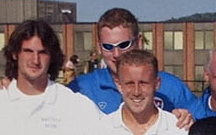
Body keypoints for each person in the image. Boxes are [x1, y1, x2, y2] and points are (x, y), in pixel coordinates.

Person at [87, 49, 189, 135]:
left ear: (157, 83)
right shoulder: (101, 130)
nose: (136, 92)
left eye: (143, 83)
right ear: (118, 85)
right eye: (129, 83)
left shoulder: (178, 130)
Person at [69, 7, 198, 114]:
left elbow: (204, 122)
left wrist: (188, 120)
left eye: (123, 45)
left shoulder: (170, 87)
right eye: (108, 47)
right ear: (99, 47)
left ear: (139, 42)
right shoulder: (82, 88)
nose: (116, 54)